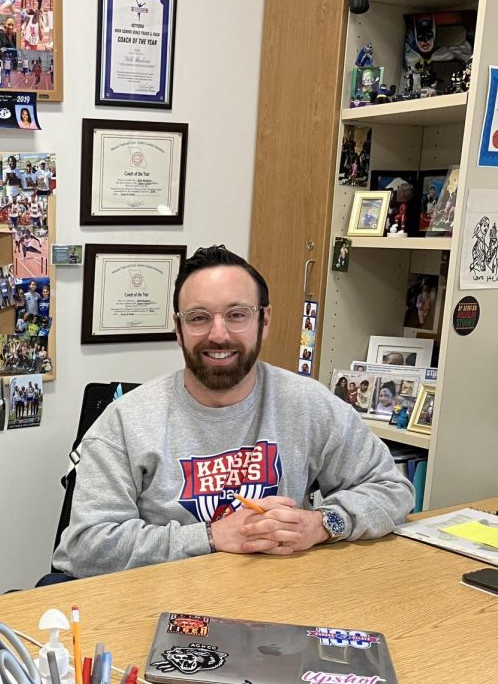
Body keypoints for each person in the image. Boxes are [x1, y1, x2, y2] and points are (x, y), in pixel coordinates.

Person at [51, 244, 415, 579]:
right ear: (178, 329)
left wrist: (322, 523)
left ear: (264, 321)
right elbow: (85, 549)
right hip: (162, 606)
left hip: (281, 601)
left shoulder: (308, 404)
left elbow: (391, 490)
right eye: (198, 318)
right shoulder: (125, 423)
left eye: (237, 315)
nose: (219, 334)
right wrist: (211, 536)